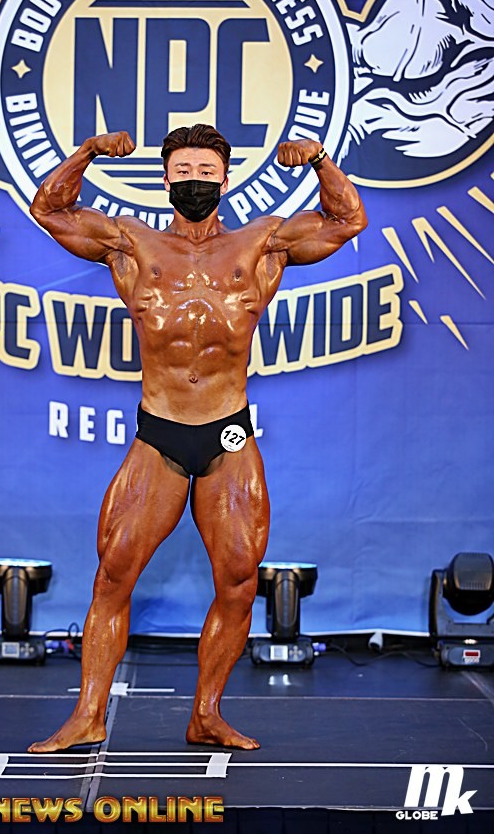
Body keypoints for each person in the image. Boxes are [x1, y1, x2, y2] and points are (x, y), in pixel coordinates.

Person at [28, 125, 367, 752]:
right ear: (165, 179)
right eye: (183, 170)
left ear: (225, 179)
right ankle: (88, 715)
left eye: (206, 171)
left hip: (228, 433)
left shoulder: (262, 244)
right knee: (112, 577)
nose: (194, 180)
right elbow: (49, 209)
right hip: (159, 433)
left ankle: (206, 714)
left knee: (238, 581)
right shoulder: (131, 244)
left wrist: (320, 160)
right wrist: (88, 153)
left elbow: (348, 221)